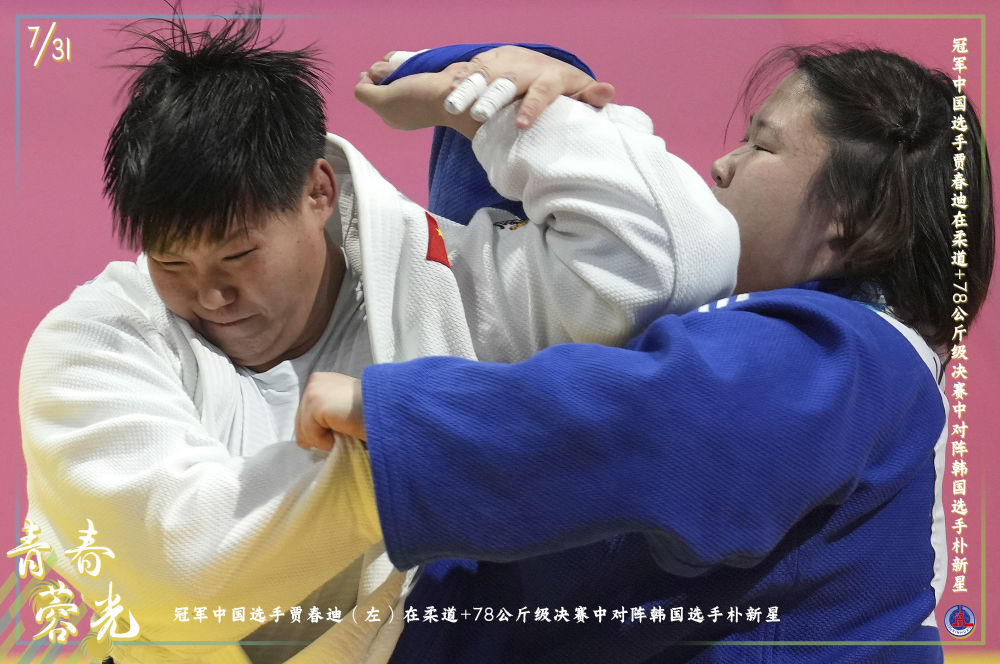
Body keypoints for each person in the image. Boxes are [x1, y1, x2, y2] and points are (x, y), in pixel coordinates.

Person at [16, 9, 740, 664]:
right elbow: (186, 579)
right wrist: (416, 447)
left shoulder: (448, 283)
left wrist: (501, 107)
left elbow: (678, 264)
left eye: (239, 255)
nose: (210, 296)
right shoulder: (94, 342)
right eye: (173, 263)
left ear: (318, 191)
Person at [296, 45, 995, 662]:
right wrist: (513, 97)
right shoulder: (859, 370)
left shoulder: (843, 357)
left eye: (762, 146)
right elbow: (533, 309)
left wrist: (397, 414)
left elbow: (646, 421)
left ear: (855, 210)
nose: (722, 165)